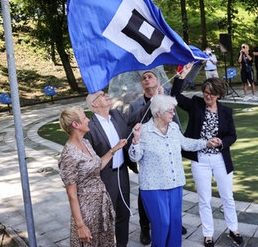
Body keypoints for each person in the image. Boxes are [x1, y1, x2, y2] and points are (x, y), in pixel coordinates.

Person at [128, 94, 218, 247]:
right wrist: (135, 141)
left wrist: (206, 143)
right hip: (153, 187)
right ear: (158, 113)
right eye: (170, 111)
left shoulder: (174, 127)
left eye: (173, 110)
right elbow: (134, 157)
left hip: (175, 183)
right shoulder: (143, 131)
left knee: (175, 223)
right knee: (162, 223)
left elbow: (185, 143)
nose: (173, 114)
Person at [171, 71, 243, 247]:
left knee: (227, 197)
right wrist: (181, 76)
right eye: (205, 91)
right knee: (204, 199)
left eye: (211, 93)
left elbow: (232, 136)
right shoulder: (196, 104)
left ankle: (234, 230)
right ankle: (208, 234)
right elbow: (175, 96)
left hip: (221, 159)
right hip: (200, 159)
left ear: (218, 95)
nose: (207, 95)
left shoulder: (226, 111)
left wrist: (221, 142)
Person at [58, 106, 131, 247]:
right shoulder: (68, 155)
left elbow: (97, 165)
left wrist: (114, 149)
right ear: (75, 124)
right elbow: (71, 193)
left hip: (101, 205)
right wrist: (80, 225)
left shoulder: (85, 142)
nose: (88, 120)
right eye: (84, 118)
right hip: (86, 211)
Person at [127, 70, 186, 245]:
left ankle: (170, 225)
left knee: (170, 206)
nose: (146, 79)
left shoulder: (166, 98)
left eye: (149, 77)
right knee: (147, 197)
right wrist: (153, 102)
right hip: (147, 154)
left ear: (157, 80)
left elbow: (173, 118)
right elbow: (134, 121)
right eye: (143, 78)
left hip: (166, 154)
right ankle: (146, 227)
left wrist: (181, 74)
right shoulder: (136, 104)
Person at [85, 91, 141, 247]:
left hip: (122, 173)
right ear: (94, 104)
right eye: (102, 95)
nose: (107, 95)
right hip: (105, 177)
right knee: (106, 218)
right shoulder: (89, 127)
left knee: (124, 214)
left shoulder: (117, 115)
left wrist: (154, 98)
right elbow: (89, 162)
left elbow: (138, 116)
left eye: (105, 93)